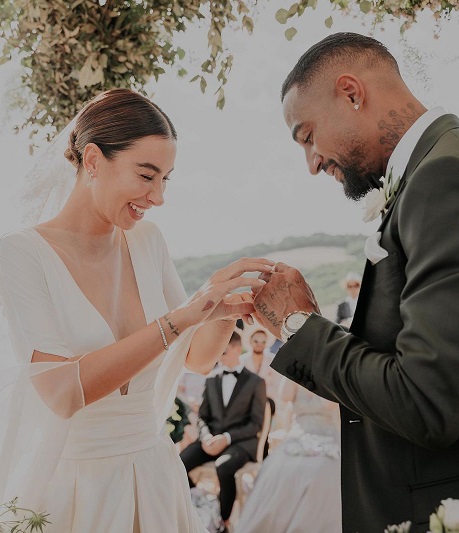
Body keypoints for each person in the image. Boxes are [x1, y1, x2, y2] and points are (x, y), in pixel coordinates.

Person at [0, 88, 274, 533]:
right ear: (92, 160)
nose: (159, 196)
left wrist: (224, 310)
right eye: (146, 175)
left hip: (154, 474)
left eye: (166, 179)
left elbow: (198, 358)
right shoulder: (21, 254)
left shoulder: (148, 242)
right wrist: (184, 315)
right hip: (80, 487)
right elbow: (61, 393)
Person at [251, 32, 459, 533]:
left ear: (351, 92)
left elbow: (428, 402)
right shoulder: (430, 170)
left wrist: (301, 326)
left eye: (307, 136)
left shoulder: (441, 177)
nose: (312, 163)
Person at [180, 330, 266, 532]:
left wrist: (226, 438)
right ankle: (200, 505)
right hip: (210, 439)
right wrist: (207, 437)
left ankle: (223, 523)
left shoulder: (256, 382)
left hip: (240, 443)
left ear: (238, 349)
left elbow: (256, 424)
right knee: (178, 463)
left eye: (224, 352)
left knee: (224, 467)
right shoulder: (211, 380)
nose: (220, 357)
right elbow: (203, 417)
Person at [234, 378, 341, 533]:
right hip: (298, 435)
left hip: (328, 436)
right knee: (278, 468)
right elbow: (284, 396)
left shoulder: (331, 366)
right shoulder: (299, 367)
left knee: (321, 470)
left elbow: (328, 403)